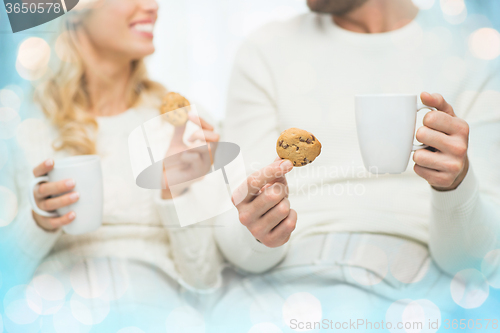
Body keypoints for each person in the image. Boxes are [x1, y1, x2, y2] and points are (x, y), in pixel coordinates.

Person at [212, 0, 500, 330]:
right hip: (289, 279)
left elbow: (478, 261)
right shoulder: (264, 50)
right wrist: (259, 235)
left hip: (419, 281)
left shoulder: (475, 54)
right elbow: (233, 233)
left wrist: (455, 187)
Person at [1, 0, 222, 330]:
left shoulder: (183, 126)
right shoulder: (19, 124)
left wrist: (176, 191)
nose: (152, 6)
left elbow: (205, 283)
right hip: (55, 309)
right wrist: (41, 221)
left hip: (156, 309)